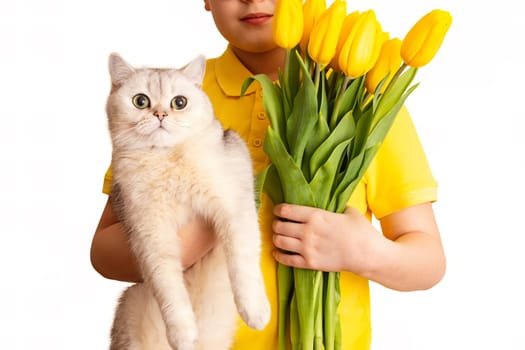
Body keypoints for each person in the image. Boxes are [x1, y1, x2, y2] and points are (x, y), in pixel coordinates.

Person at [90, 0, 446, 348]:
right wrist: (184, 241)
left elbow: (429, 261)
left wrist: (365, 252)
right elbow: (103, 251)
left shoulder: (365, 99)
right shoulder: (171, 95)